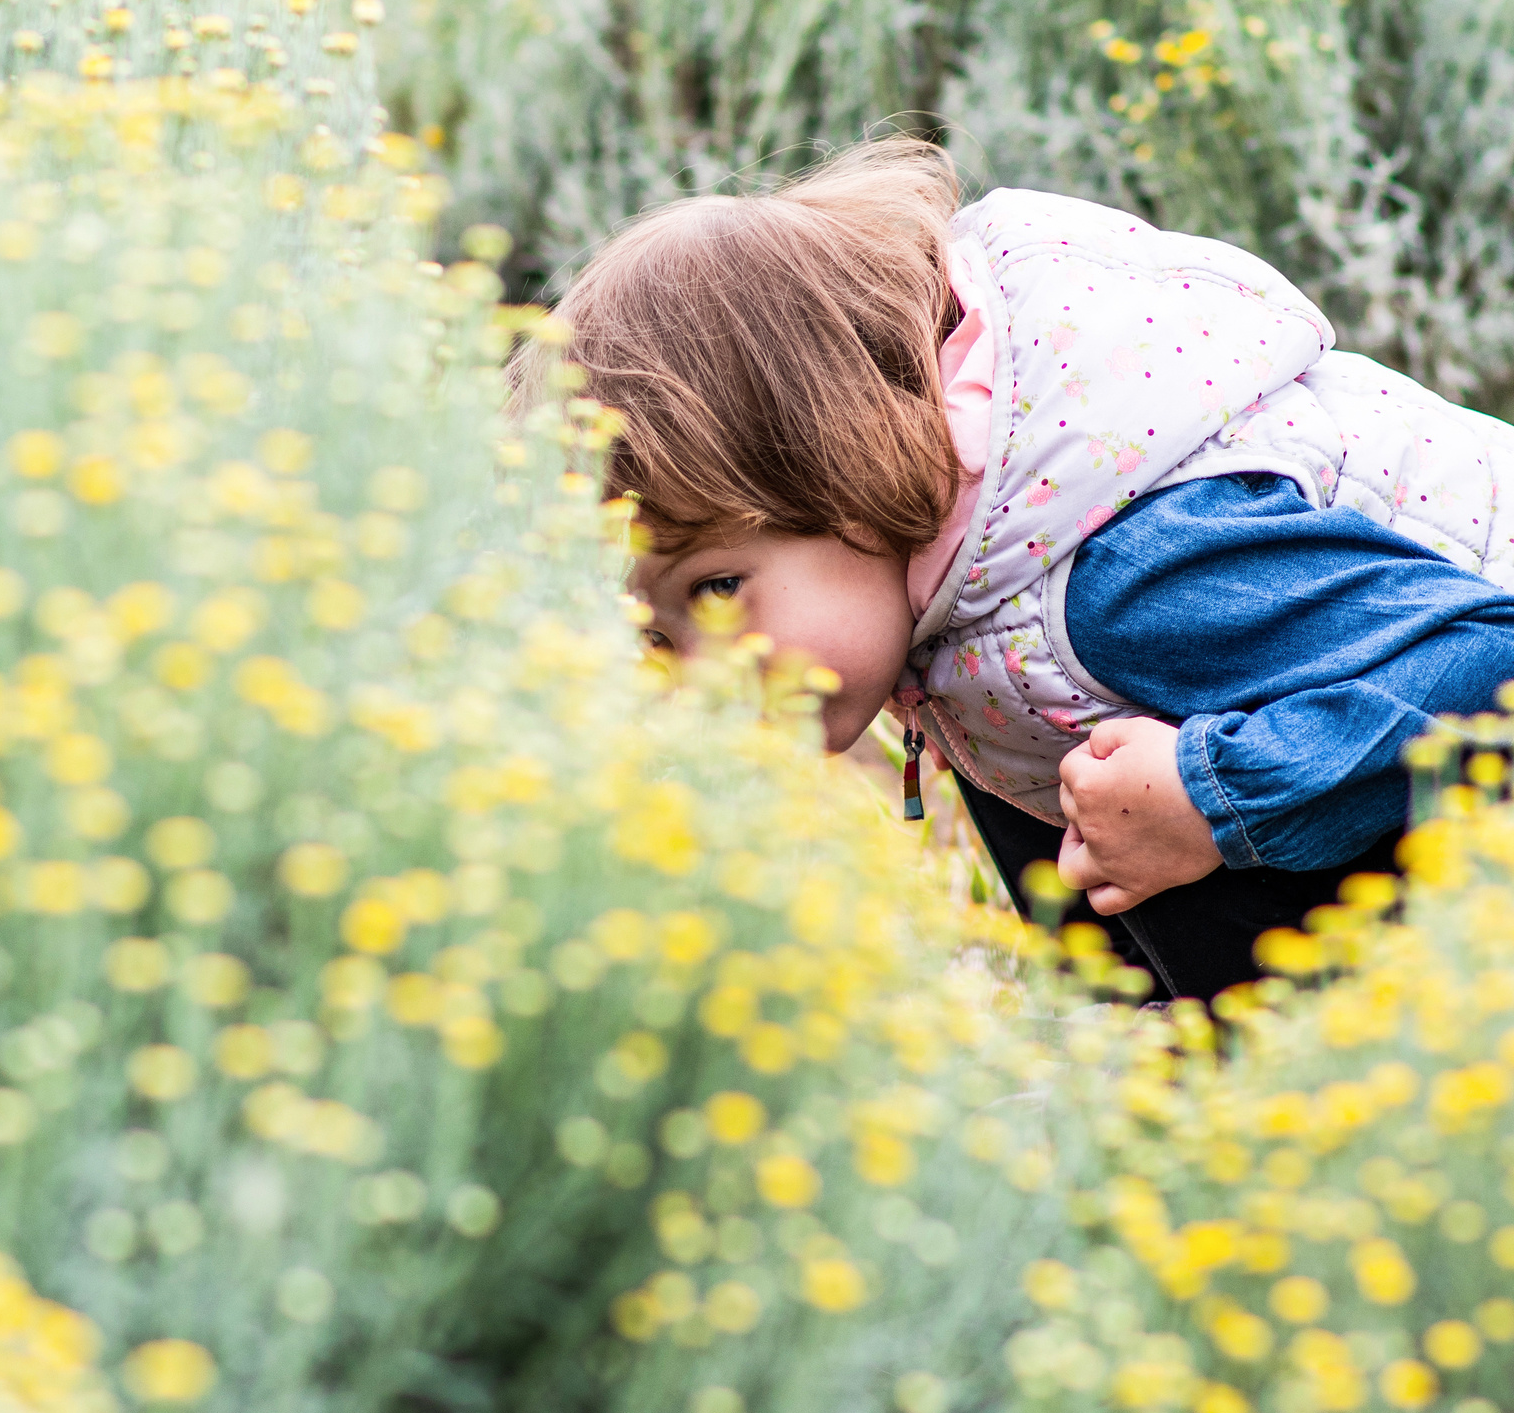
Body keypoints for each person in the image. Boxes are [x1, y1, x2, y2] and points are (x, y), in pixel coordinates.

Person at [537, 137, 1514, 1003]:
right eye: (656, 633)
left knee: (1151, 790)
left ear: (849, 462)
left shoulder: (1129, 571)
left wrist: (1217, 798)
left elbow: (1488, 663)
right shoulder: (954, 577)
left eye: (717, 587)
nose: (694, 676)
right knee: (1043, 738)